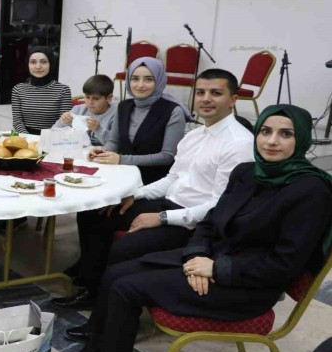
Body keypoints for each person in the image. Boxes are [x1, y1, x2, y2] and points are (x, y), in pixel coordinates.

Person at [55, 104, 332, 352]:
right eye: (265, 131)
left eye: (286, 134)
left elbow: (283, 265)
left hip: (247, 285)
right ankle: (96, 350)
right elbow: (211, 221)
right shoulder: (248, 172)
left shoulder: (311, 191)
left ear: (303, 139)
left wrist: (216, 269)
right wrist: (197, 255)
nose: (272, 141)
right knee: (116, 273)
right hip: (210, 260)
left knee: (126, 288)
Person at [54, 69, 253, 311]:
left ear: (233, 100)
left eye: (216, 93)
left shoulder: (238, 144)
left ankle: (104, 300)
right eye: (201, 92)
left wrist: (161, 217)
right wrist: (133, 195)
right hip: (171, 204)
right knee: (96, 211)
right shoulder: (195, 135)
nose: (206, 99)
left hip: (196, 225)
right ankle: (89, 282)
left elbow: (218, 207)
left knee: (124, 248)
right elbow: (173, 178)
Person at [87, 57, 188, 185]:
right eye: (135, 79)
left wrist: (121, 159)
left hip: (153, 182)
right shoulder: (123, 106)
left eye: (148, 79)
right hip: (121, 174)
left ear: (159, 81)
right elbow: (114, 141)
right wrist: (103, 153)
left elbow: (167, 156)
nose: (140, 85)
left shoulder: (173, 111)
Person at [11, 46, 72, 135]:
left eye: (43, 62)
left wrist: (46, 138)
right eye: (33, 62)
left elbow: (64, 122)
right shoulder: (18, 89)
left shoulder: (63, 90)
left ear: (51, 64)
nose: (38, 66)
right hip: (25, 137)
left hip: (53, 137)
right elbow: (17, 122)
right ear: (28, 64)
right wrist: (30, 138)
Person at [53, 74, 116, 146]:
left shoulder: (116, 115)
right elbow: (53, 133)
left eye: (96, 98)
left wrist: (99, 129)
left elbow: (117, 145)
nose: (90, 102)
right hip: (77, 151)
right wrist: (64, 122)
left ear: (109, 98)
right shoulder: (78, 110)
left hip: (102, 152)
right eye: (87, 97)